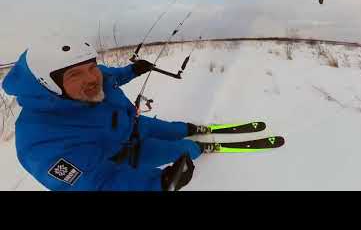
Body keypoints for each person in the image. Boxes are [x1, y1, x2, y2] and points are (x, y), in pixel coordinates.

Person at [1, 39, 208, 191]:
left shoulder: (94, 76)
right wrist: (158, 183)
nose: (92, 78)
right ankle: (200, 146)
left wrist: (133, 70)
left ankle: (192, 129)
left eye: (91, 67)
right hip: (128, 154)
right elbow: (97, 183)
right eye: (74, 75)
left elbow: (110, 76)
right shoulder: (38, 142)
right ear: (48, 85)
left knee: (174, 128)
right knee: (183, 149)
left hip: (134, 124)